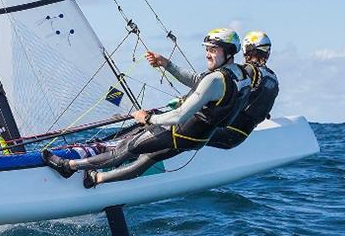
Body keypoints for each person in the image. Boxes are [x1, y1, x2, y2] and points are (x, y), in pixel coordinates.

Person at [42, 28, 251, 187]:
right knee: (147, 158)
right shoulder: (241, 75)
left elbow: (180, 115)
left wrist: (148, 119)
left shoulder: (215, 79)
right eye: (206, 50)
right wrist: (166, 64)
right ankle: (95, 179)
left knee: (125, 150)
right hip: (197, 139)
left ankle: (67, 167)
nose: (208, 54)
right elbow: (199, 82)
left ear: (229, 52)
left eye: (213, 50)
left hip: (179, 132)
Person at [207, 31, 279, 149]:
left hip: (225, 131)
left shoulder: (248, 71)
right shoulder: (272, 77)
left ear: (246, 49)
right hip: (241, 135)